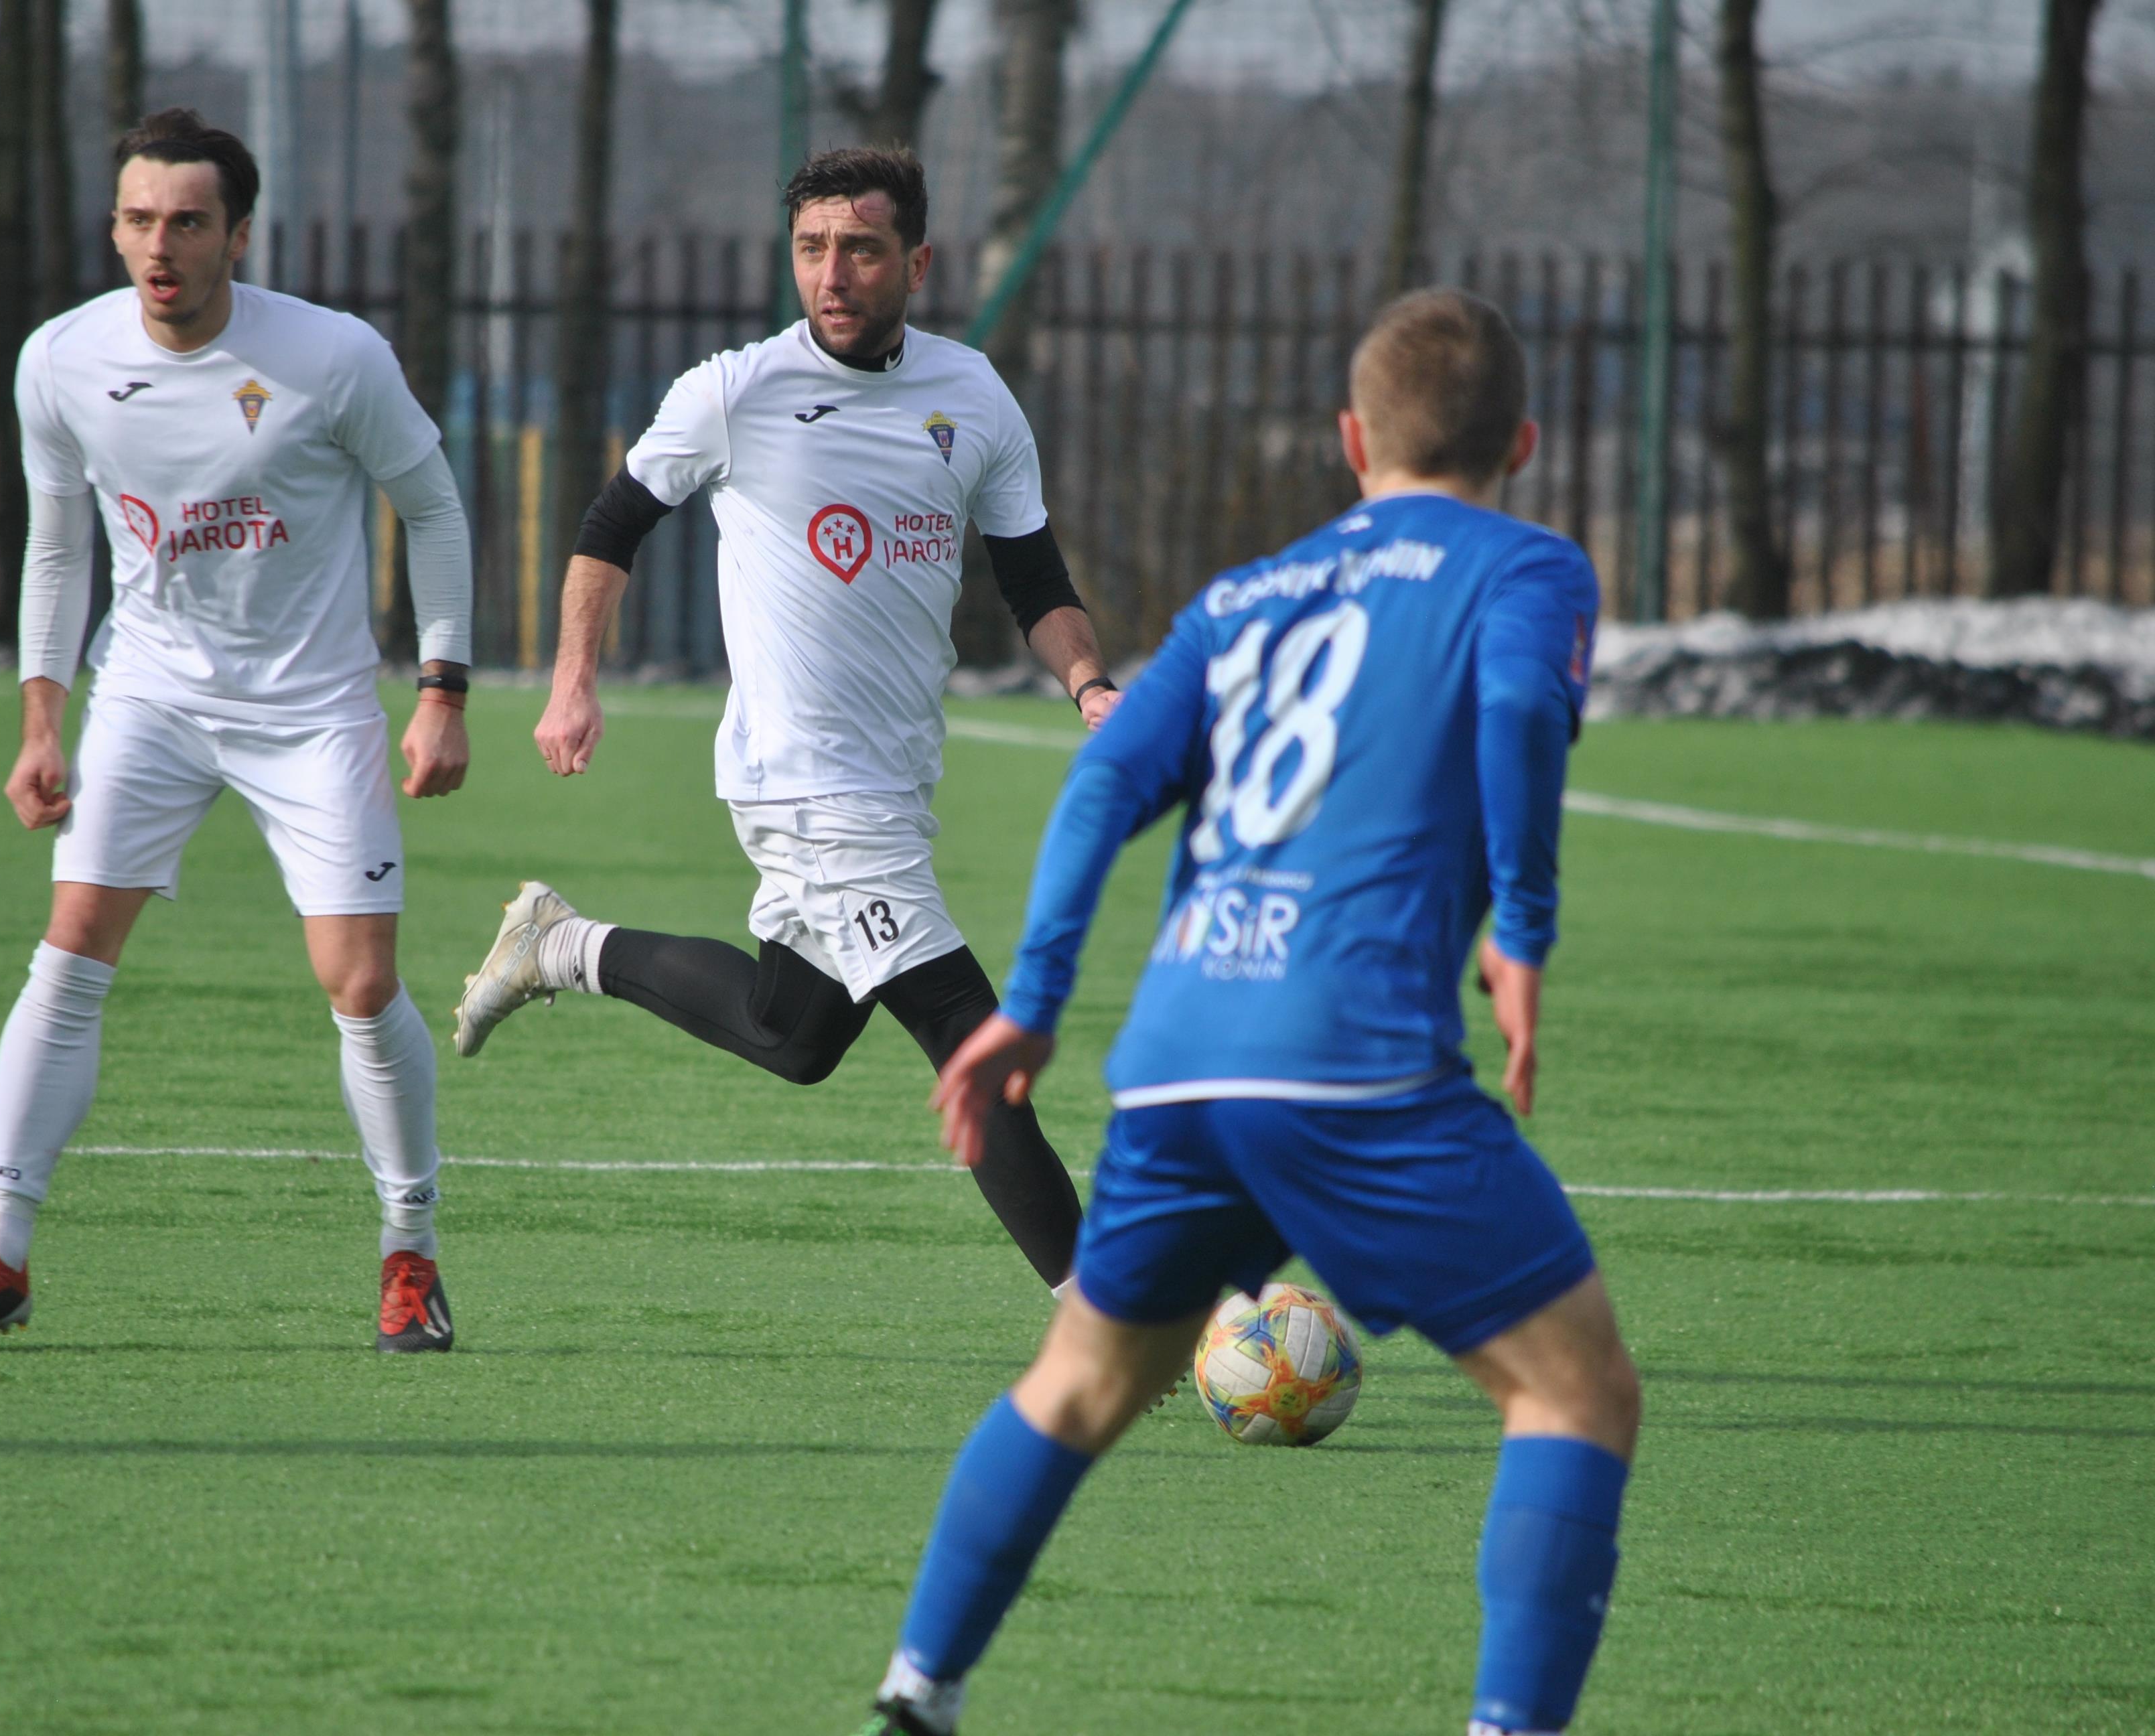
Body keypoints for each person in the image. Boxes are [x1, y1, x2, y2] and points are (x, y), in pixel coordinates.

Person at [855, 289, 1643, 1736]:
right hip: (1354, 1066)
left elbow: (1104, 780)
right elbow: (1523, 715)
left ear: (1352, 440)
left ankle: (916, 1694)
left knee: (1079, 1385)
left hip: (1178, 1063)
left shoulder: (1244, 598)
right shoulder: (1528, 568)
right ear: (1522, 443)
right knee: (1576, 1393)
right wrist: (1524, 931)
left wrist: (1036, 1002)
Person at [451, 147, 1107, 1291]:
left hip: (894, 781)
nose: (833, 274)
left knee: (791, 1034)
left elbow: (1034, 577)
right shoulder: (736, 391)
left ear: (917, 263)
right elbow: (610, 527)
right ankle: (1105, 1325)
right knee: (972, 1042)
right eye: (812, 249)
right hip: (804, 784)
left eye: (860, 249)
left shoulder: (973, 396)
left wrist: (1092, 685)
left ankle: (560, 944)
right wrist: (572, 681)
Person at [0, 108, 475, 1356]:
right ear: (115, 229)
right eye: (140, 220)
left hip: (313, 708)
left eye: (189, 222)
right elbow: (59, 547)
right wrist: (42, 722)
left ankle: (411, 1251)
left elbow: (432, 507)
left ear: (239, 235)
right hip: (149, 697)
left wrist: (442, 690)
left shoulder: (333, 357)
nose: (161, 245)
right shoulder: (62, 360)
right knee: (70, 950)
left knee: (361, 983)